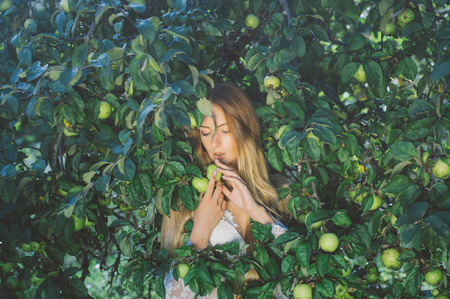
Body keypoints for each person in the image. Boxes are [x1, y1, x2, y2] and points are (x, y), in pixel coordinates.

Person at [161, 82, 291, 298]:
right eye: (206, 132)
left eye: (225, 130)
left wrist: (256, 211)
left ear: (246, 130)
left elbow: (301, 277)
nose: (215, 142)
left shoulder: (284, 195)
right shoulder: (185, 202)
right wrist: (199, 235)